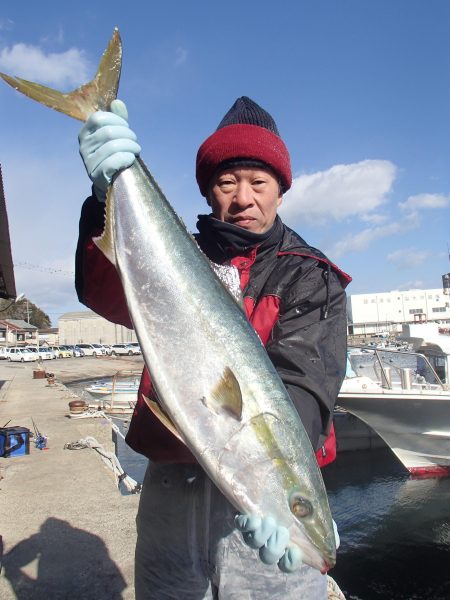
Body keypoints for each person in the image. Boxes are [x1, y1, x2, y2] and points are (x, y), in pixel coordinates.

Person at [76, 96, 350, 599]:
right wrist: (103, 201)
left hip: (255, 512)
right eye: (227, 183)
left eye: (258, 182)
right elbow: (107, 294)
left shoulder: (312, 277)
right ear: (208, 192)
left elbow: (305, 388)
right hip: (170, 494)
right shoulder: (170, 250)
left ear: (281, 193)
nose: (243, 197)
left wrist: (288, 504)